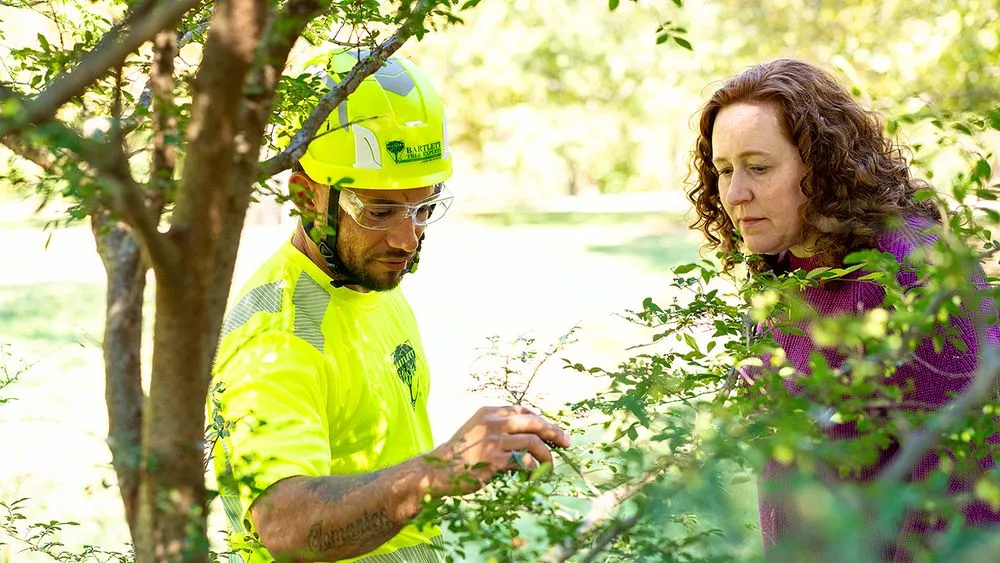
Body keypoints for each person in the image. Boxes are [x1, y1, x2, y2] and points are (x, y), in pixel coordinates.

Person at [207, 50, 570, 563]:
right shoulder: (279, 332)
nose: (407, 239)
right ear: (307, 196)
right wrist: (441, 470)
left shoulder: (366, 280)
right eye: (379, 211)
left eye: (423, 207)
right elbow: (283, 525)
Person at [686, 59, 999, 559]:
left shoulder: (914, 272)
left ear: (824, 164)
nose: (735, 195)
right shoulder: (782, 267)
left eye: (759, 168)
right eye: (724, 171)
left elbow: (967, 496)